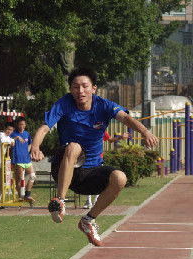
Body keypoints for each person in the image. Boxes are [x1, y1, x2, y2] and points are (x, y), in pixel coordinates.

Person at [30, 67, 158, 247]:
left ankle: (88, 220)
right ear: (70, 89)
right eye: (75, 87)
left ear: (94, 88)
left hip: (90, 172)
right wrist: (35, 146)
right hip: (65, 167)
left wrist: (145, 131)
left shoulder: (104, 105)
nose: (80, 91)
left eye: (84, 86)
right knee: (74, 147)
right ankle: (60, 200)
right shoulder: (64, 104)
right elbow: (45, 127)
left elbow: (125, 118)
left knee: (120, 177)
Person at [83, 131, 131, 209]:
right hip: (87, 159)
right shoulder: (86, 129)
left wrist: (120, 137)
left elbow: (110, 140)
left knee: (97, 180)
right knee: (86, 179)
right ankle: (88, 201)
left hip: (98, 159)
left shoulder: (101, 130)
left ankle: (96, 201)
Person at [0, 122, 22, 205]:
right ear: (4, 128)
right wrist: (13, 140)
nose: (9, 131)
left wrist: (15, 138)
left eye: (11, 130)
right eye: (8, 129)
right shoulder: (1, 135)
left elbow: (10, 140)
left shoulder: (8, 137)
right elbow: (3, 141)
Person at [10, 117, 36, 202]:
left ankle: (27, 194)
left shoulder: (26, 133)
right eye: (20, 124)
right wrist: (16, 138)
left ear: (25, 125)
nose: (22, 126)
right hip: (18, 159)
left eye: (23, 124)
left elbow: (30, 144)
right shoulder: (13, 133)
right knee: (19, 179)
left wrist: (27, 152)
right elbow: (8, 142)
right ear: (17, 125)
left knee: (32, 176)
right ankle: (20, 196)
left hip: (26, 159)